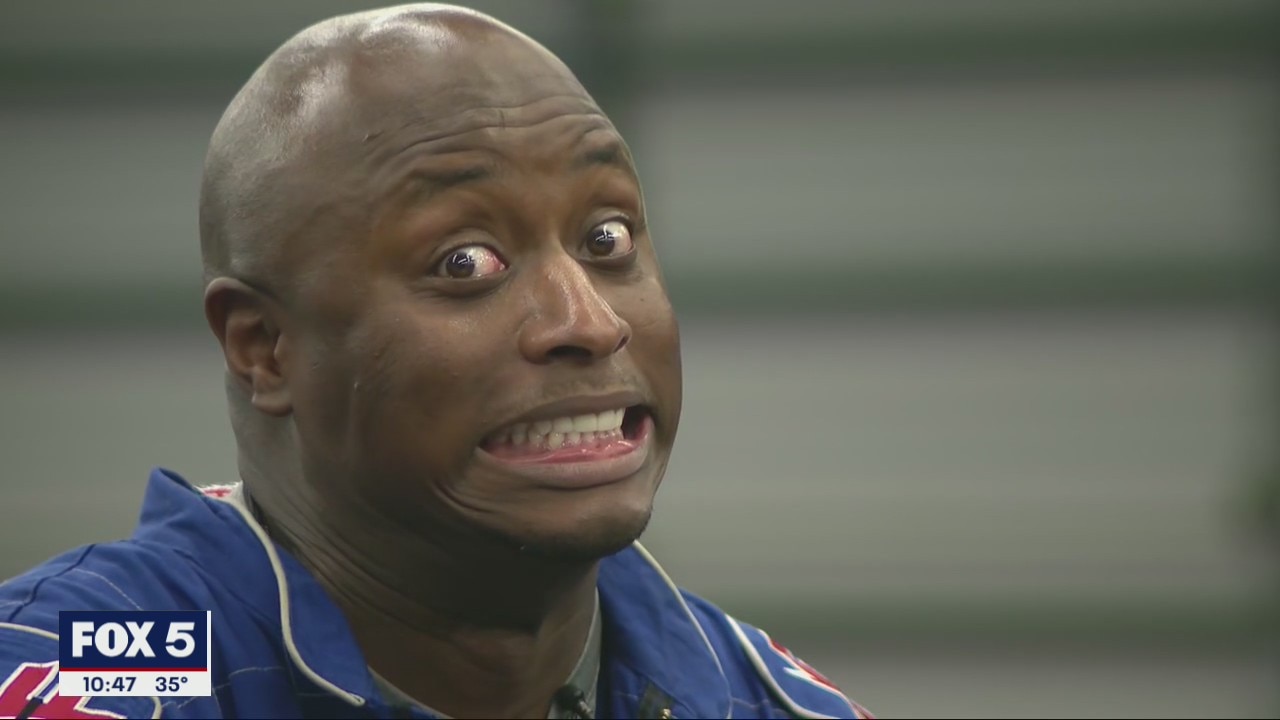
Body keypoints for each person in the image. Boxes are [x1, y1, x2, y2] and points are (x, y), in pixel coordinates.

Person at [0, 5, 872, 719]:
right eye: (466, 263)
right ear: (264, 347)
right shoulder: (102, 672)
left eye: (606, 240)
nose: (589, 322)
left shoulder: (761, 702)